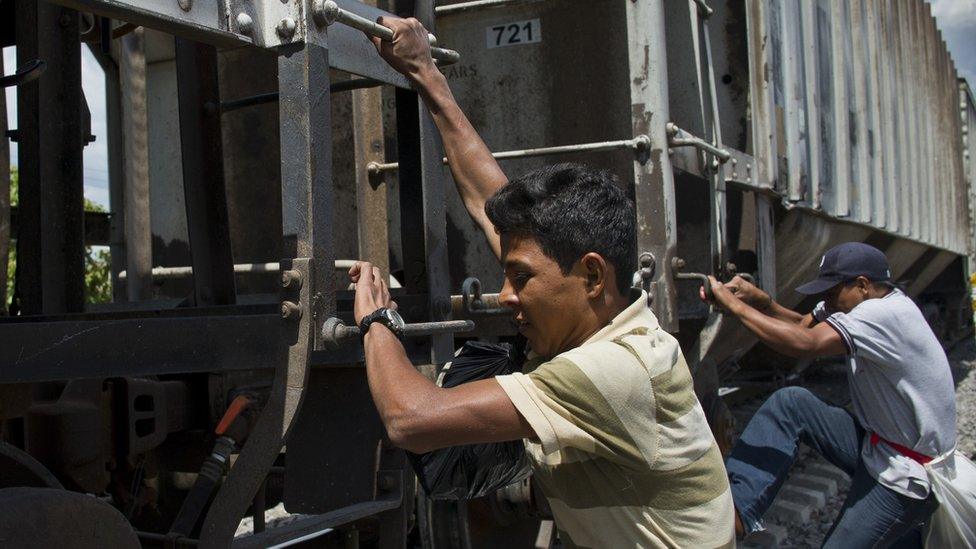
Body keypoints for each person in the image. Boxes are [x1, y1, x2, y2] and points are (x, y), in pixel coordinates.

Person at [346, 16, 735, 548]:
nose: (505, 297)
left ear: (592, 275)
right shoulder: (610, 325)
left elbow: (410, 418)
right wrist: (425, 74)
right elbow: (489, 201)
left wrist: (376, 320)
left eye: (521, 278)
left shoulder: (615, 369)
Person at [704, 242, 956, 547]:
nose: (825, 301)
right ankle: (737, 514)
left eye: (830, 292)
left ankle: (909, 529)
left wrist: (735, 307)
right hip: (881, 445)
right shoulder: (864, 302)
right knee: (792, 403)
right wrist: (762, 303)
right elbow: (804, 325)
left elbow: (805, 342)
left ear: (862, 285)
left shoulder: (884, 315)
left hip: (907, 474)